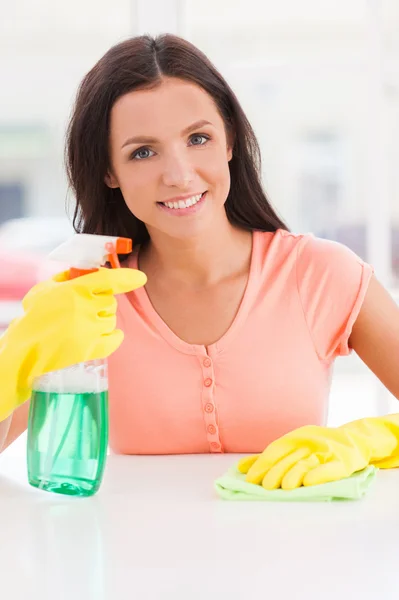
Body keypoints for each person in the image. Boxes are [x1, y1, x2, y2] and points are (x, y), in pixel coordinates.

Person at [1, 34, 399, 490]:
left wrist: (365, 441)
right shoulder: (89, 298)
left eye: (198, 138)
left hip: (294, 558)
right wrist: (15, 360)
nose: (179, 174)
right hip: (131, 559)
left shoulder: (322, 274)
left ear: (229, 141)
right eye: (143, 152)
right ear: (109, 171)